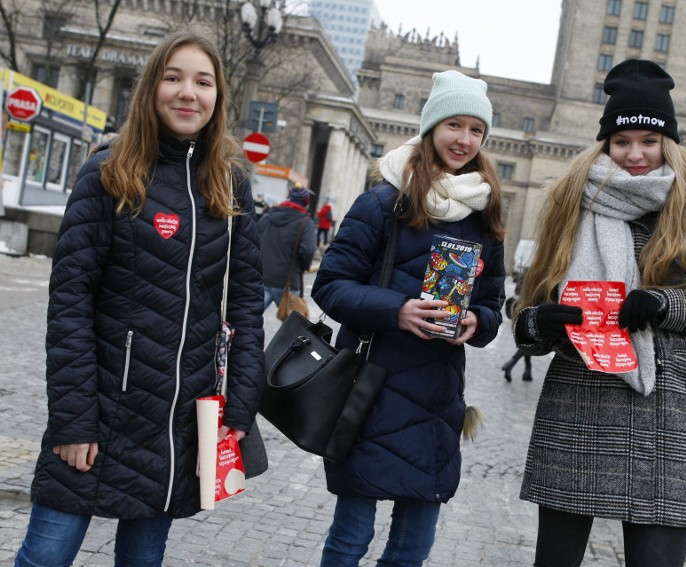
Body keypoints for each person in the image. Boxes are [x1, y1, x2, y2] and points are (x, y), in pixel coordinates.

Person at [14, 30, 266, 566]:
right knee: (44, 557)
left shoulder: (230, 182)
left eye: (202, 82)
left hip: (174, 420)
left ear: (218, 96)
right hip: (101, 406)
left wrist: (239, 407)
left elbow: (245, 303)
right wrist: (74, 419)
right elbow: (70, 303)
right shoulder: (107, 169)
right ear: (152, 87)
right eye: (173, 78)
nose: (187, 93)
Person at [511, 59, 686, 567]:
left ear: (667, 143)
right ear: (605, 143)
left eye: (648, 142)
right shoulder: (569, 204)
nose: (635, 154)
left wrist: (667, 305)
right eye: (622, 141)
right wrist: (541, 322)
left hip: (666, 416)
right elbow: (524, 312)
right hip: (579, 404)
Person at [311, 69, 506, 566]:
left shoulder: (485, 215)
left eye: (476, 130)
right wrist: (396, 311)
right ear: (432, 127)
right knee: (351, 537)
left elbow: (492, 301)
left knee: (412, 548)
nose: (464, 140)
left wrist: (477, 323)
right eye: (454, 126)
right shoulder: (382, 202)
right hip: (370, 393)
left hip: (437, 400)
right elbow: (329, 286)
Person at [257, 182, 317, 311]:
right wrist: (304, 267)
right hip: (287, 282)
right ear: (305, 203)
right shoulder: (305, 223)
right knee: (292, 327)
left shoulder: (268, 216)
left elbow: (254, 240)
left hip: (261, 276)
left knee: (249, 320)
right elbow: (308, 250)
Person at [501, 268, 533, 382]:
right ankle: (511, 363)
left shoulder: (525, 271)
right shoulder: (534, 272)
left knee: (528, 342)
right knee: (529, 342)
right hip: (528, 310)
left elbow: (517, 291)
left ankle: (527, 372)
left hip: (518, 308)